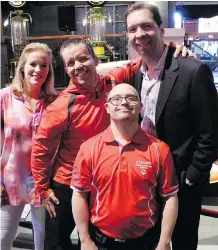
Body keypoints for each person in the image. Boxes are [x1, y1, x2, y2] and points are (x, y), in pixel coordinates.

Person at [30, 38, 193, 250]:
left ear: (95, 59)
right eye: (70, 63)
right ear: (66, 68)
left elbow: (144, 59)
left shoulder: (114, 81)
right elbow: (41, 149)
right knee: (57, 243)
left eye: (82, 59)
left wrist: (170, 48)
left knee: (90, 238)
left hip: (105, 178)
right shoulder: (61, 106)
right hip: (68, 182)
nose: (77, 66)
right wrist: (43, 188)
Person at [106, 3, 218, 250]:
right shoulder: (136, 74)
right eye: (132, 29)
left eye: (147, 26)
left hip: (180, 182)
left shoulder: (193, 70)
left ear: (161, 30)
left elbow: (210, 134)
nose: (140, 34)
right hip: (144, 180)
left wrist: (191, 178)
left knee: (181, 243)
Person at [71, 83, 179, 250]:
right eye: (116, 99)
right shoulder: (89, 148)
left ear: (140, 107)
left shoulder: (159, 150)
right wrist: (84, 239)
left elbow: (170, 197)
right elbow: (79, 195)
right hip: (100, 242)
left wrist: (164, 242)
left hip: (145, 242)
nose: (124, 102)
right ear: (107, 107)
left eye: (131, 98)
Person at [0, 42, 57, 250]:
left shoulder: (55, 102)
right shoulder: (4, 98)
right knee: (3, 238)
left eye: (44, 66)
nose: (38, 70)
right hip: (10, 181)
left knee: (42, 240)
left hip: (44, 182)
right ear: (22, 66)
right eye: (33, 64)